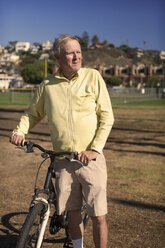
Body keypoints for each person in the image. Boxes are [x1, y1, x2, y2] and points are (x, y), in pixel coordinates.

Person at [10, 34, 114, 248]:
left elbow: (107, 117)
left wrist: (94, 149)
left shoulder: (93, 77)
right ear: (58, 57)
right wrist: (20, 131)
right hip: (63, 160)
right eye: (70, 53)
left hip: (90, 160)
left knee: (98, 215)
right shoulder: (47, 85)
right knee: (72, 213)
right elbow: (32, 114)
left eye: (78, 52)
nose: (76, 57)